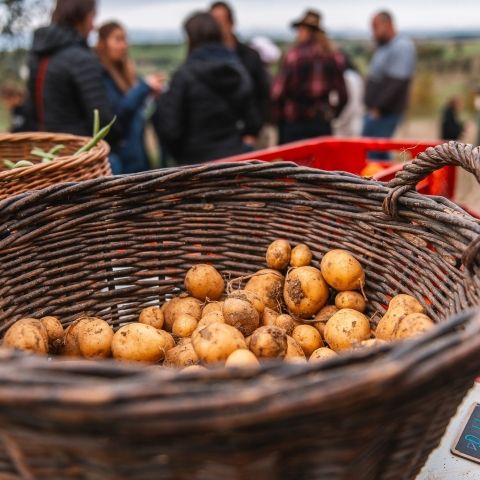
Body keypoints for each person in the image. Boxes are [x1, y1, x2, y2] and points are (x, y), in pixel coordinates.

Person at [155, 12, 261, 165]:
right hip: (235, 160)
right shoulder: (237, 70)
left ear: (192, 38)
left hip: (195, 165)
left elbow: (170, 129)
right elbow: (253, 121)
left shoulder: (184, 75)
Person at [27, 0, 118, 143]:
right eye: (92, 17)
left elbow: (31, 110)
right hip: (78, 151)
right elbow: (103, 120)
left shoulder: (38, 55)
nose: (93, 26)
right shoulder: (81, 59)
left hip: (45, 149)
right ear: (79, 16)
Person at [96, 22, 163, 174]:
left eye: (125, 40)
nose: (124, 45)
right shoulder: (101, 77)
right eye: (118, 39)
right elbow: (117, 115)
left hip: (138, 157)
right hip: (120, 161)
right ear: (103, 43)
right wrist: (143, 88)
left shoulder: (126, 75)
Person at [272, 10, 347, 144]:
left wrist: (279, 117)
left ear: (308, 30)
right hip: (321, 121)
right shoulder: (333, 56)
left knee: (293, 163)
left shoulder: (293, 56)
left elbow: (278, 92)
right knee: (320, 163)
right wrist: (332, 114)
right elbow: (343, 94)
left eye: (300, 29)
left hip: (294, 121)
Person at [210, 1, 271, 145]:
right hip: (219, 140)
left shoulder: (250, 56)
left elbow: (263, 94)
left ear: (231, 22)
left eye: (221, 21)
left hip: (250, 136)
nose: (217, 27)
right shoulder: (206, 60)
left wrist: (253, 130)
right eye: (213, 22)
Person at [363, 11, 416, 143]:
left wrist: (379, 109)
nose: (373, 32)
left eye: (375, 27)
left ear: (388, 24)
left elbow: (396, 82)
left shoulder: (401, 46)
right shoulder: (385, 45)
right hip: (376, 112)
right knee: (371, 151)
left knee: (375, 153)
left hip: (384, 114)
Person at [333, 55, 364, 137]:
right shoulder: (355, 76)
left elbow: (351, 103)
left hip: (347, 122)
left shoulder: (347, 77)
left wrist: (339, 121)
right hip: (355, 121)